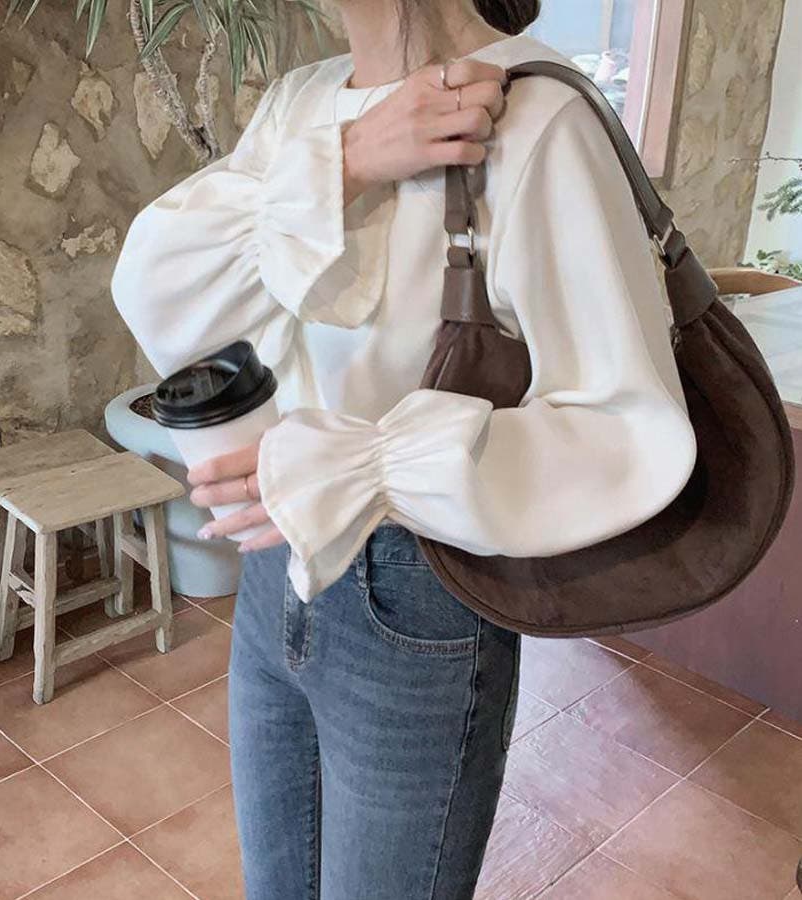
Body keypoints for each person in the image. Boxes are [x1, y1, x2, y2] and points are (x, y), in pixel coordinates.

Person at [111, 1, 697, 897]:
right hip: (272, 577)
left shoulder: (537, 116)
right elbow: (159, 291)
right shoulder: (300, 104)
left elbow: (625, 428)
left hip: (420, 598)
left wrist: (364, 467)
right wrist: (346, 160)